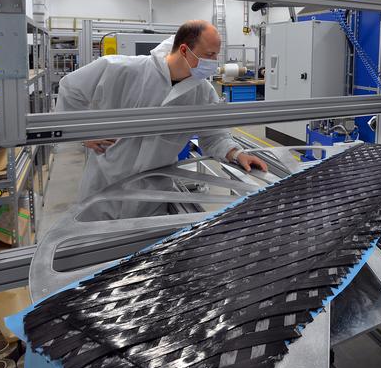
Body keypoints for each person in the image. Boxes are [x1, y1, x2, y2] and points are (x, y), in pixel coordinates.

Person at [56, 19, 267, 220]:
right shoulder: (122, 70)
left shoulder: (203, 92)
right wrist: (86, 134)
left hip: (153, 193)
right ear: (184, 49)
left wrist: (237, 154)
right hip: (104, 185)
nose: (213, 63)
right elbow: (70, 88)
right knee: (96, 249)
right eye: (209, 55)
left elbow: (213, 136)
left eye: (215, 56)